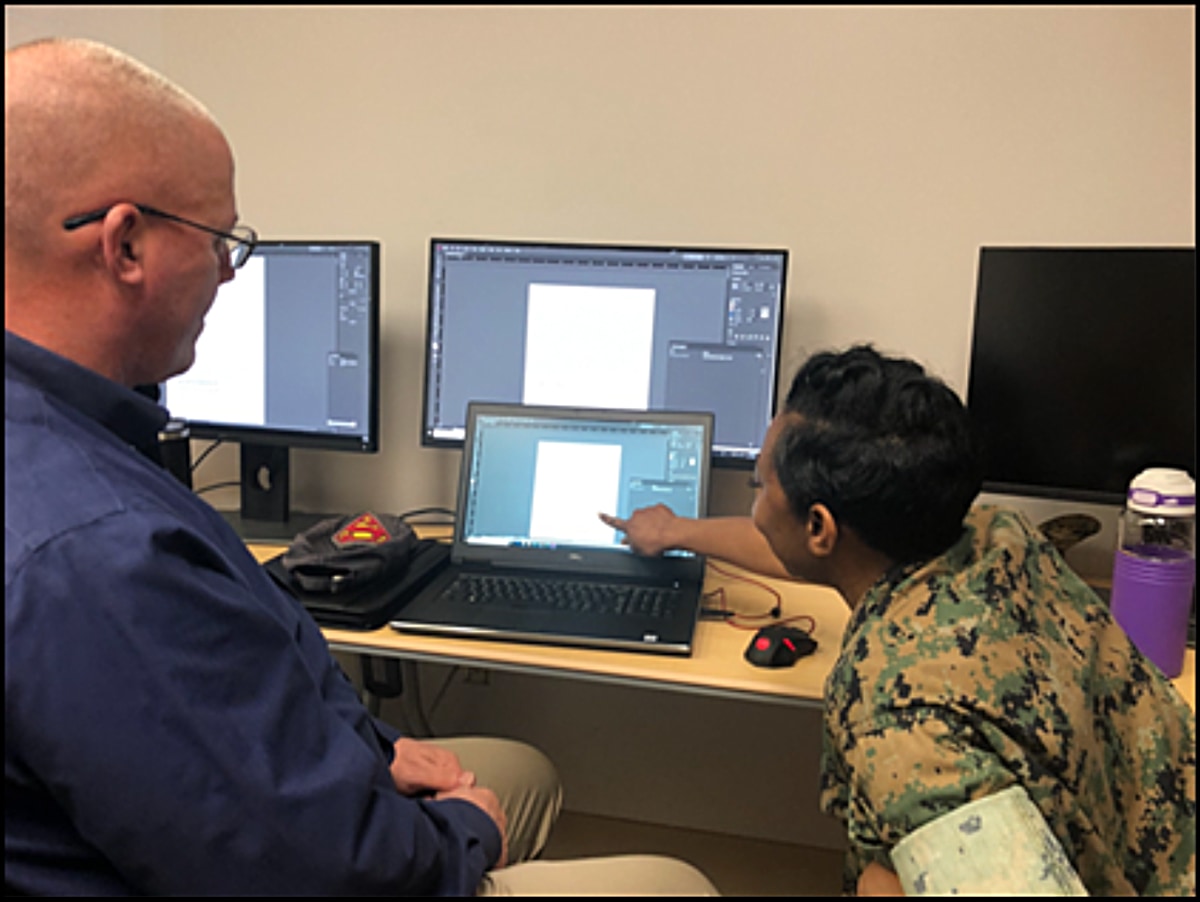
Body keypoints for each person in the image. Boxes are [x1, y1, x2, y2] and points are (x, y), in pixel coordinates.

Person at [4, 37, 717, 896]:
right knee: (672, 880)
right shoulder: (97, 551)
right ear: (125, 247)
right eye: (222, 240)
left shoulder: (72, 452)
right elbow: (316, 877)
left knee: (518, 765)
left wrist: (375, 749)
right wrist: (465, 831)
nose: (229, 272)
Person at [602, 344, 1196, 896]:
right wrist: (676, 531)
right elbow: (799, 546)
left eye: (760, 487)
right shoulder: (999, 536)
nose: (755, 507)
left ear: (820, 528)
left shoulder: (901, 722)